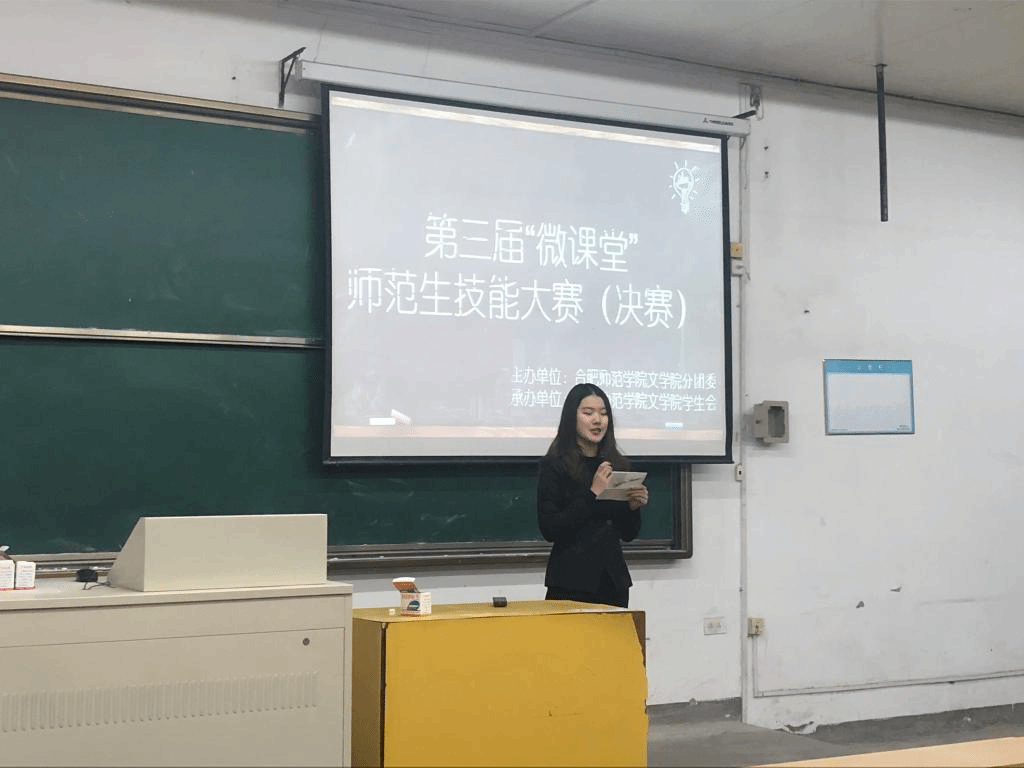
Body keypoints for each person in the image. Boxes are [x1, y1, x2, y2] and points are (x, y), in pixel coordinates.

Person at [537, 382, 649, 608]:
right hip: (570, 583)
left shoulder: (617, 464)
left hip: (613, 582)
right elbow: (550, 529)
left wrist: (633, 508)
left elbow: (628, 534)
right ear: (572, 418)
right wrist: (592, 493)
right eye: (588, 413)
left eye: (603, 413)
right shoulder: (555, 465)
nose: (598, 420)